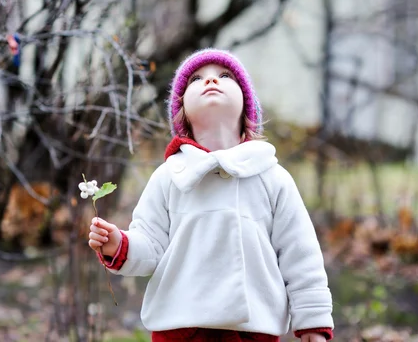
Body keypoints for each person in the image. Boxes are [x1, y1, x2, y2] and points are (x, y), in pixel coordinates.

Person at [87, 49, 334, 342]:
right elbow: (151, 245)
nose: (211, 81)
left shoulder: (272, 177)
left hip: (251, 329)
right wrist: (119, 244)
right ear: (182, 113)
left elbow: (301, 254)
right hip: (180, 327)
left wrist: (313, 323)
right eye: (196, 78)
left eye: (225, 75)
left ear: (247, 106)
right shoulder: (170, 176)